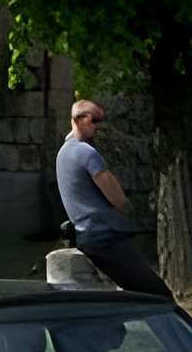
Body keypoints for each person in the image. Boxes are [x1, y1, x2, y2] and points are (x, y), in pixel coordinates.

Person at [56, 99, 172, 299]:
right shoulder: (87, 153)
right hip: (104, 236)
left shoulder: (63, 153)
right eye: (95, 120)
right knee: (157, 295)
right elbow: (117, 199)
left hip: (87, 235)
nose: (100, 126)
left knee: (132, 294)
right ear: (78, 120)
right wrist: (131, 210)